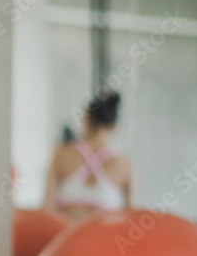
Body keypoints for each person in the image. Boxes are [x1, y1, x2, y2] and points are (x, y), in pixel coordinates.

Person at [43, 90, 133, 220]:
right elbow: (129, 220)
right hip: (103, 238)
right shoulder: (125, 166)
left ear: (87, 119)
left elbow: (46, 209)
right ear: (114, 126)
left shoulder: (63, 154)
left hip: (67, 236)